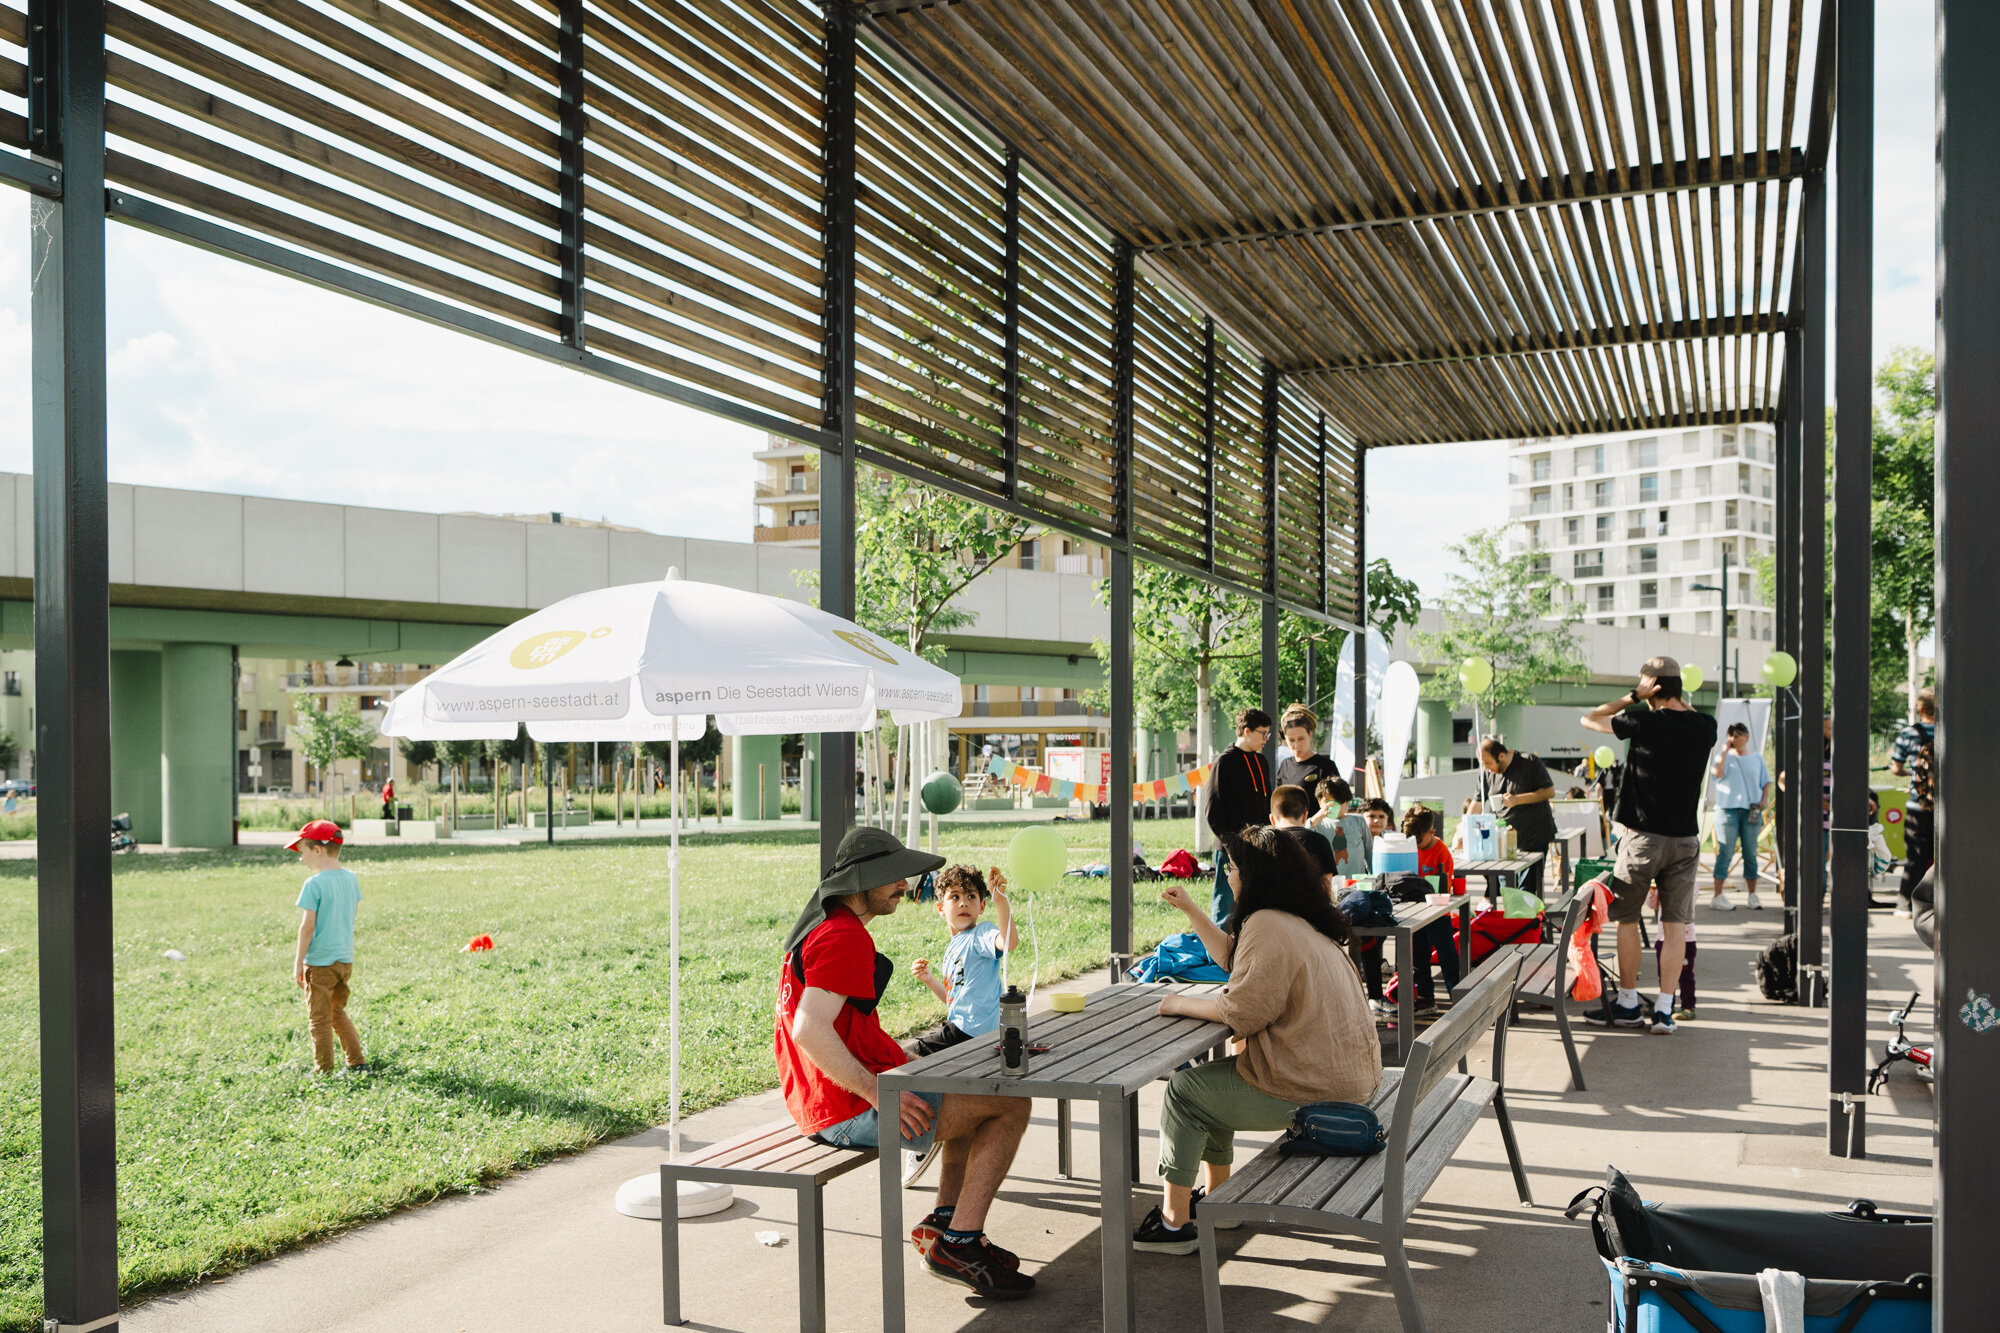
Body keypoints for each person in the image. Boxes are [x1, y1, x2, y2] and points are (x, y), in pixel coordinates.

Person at [776, 826, 1034, 1298]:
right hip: (846, 1112)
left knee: (973, 1095)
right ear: (862, 880)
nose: (903, 885)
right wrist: (877, 1091)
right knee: (1011, 1104)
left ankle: (946, 1224)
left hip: (819, 1102)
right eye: (893, 876)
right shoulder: (842, 937)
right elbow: (809, 1030)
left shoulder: (825, 926)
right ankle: (960, 1242)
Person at [1132, 826, 1381, 1254]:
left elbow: (1243, 1011)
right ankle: (1220, 1204)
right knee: (1209, 1085)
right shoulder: (1300, 918)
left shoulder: (1267, 922)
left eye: (1232, 867)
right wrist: (1192, 910)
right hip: (1345, 1077)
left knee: (1185, 1091)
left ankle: (1174, 1226)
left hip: (1314, 1089)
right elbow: (1236, 961)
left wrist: (1179, 1003)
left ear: (1254, 874)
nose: (1228, 875)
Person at [1580, 655, 1717, 1035]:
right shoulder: (1706, 726)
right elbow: (1685, 712)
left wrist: (1632, 696)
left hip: (1642, 838)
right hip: (1685, 841)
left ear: (1651, 687)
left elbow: (1589, 718)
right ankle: (1664, 1010)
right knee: (1674, 926)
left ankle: (1627, 1004)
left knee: (1627, 919)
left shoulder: (1642, 719)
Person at [289, 819, 366, 1075]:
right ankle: (357, 1063)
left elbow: (307, 926)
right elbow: (351, 915)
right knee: (337, 1012)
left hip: (320, 963)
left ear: (318, 851)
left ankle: (324, 1071)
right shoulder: (351, 879)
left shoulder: (314, 884)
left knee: (319, 1019)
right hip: (344, 961)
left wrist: (299, 961)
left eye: (303, 852)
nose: (301, 859)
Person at [1205, 707, 1275, 925]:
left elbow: (1268, 803)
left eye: (1268, 734)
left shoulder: (1261, 762)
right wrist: (1231, 843)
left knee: (1257, 904)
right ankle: (1218, 955)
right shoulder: (1224, 761)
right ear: (1247, 731)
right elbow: (1212, 809)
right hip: (1230, 849)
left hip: (1259, 847)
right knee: (1226, 905)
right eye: (1263, 733)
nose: (1266, 739)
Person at [1476, 737, 1556, 899]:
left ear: (1501, 756)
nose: (1486, 768)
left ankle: (1528, 922)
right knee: (1509, 893)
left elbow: (1549, 792)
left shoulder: (1529, 762)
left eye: (1487, 763)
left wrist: (1517, 799)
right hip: (1503, 843)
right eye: (1482, 764)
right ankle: (1513, 923)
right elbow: (1477, 802)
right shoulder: (1486, 773)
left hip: (1533, 837)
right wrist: (1464, 829)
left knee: (1526, 892)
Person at [1402, 806, 1460, 1017]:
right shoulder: (1408, 847)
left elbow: (1445, 886)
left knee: (1447, 956)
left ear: (1431, 833)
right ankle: (1426, 998)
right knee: (1418, 957)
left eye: (1418, 841)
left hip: (1438, 912)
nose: (1415, 846)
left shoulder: (1441, 852)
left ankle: (1458, 998)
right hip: (1414, 911)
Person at [1709, 721, 1772, 910]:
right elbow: (1716, 774)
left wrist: (1763, 800)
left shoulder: (1757, 759)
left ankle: (1753, 894)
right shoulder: (1724, 757)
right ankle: (1717, 895)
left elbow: (1766, 782)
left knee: (1750, 852)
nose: (1734, 739)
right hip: (1728, 809)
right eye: (1731, 736)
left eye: (1737, 735)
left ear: (1746, 737)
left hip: (1750, 809)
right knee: (1725, 851)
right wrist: (1724, 751)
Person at [1892, 689, 1936, 918]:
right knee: (1941, 857)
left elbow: (1896, 767)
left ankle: (1905, 906)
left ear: (1920, 708)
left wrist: (1916, 773)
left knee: (1915, 858)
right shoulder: (1950, 731)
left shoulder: (1908, 734)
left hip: (1917, 806)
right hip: (1944, 808)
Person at [1274, 704, 1339, 819]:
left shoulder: (1325, 766)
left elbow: (1335, 806)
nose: (1296, 745)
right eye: (1291, 740)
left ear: (1310, 735)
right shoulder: (1285, 765)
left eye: (1301, 739)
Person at [1269, 784, 1335, 893]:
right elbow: (1326, 885)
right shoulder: (1320, 841)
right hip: (1311, 908)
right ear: (1305, 816)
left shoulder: (1265, 843)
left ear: (1272, 819)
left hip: (1274, 908)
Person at [1312, 777, 1370, 874]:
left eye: (1338, 802)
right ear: (1319, 801)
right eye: (1328, 802)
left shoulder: (1358, 821)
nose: (1333, 806)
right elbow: (1302, 834)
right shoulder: (1316, 824)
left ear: (1347, 802)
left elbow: (1369, 852)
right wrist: (1317, 817)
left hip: (1355, 881)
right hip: (1330, 883)